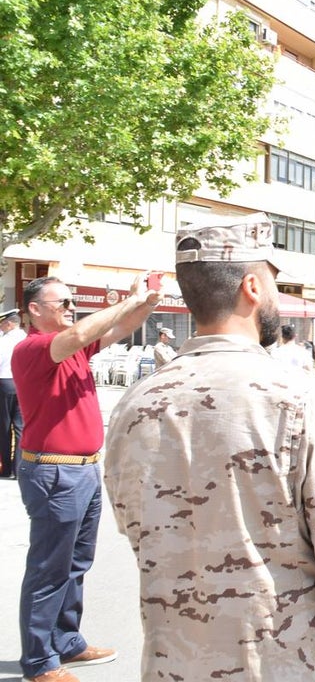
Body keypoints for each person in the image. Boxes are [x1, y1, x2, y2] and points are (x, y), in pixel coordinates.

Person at [104, 213, 315, 682]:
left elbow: (140, 533)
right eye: (274, 282)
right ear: (252, 287)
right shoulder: (300, 401)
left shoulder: (133, 405)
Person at [13, 272, 161, 681]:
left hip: (81, 469)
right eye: (61, 303)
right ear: (35, 310)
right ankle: (40, 660)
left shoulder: (70, 348)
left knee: (75, 563)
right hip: (53, 471)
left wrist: (144, 301)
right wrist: (126, 302)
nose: (70, 308)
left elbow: (120, 327)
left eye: (71, 303)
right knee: (49, 568)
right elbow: (81, 333)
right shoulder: (35, 348)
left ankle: (67, 641)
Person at [1, 307, 27, 478]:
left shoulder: (3, 341)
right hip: (22, 385)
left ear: (9, 324)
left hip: (3, 383)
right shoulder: (25, 338)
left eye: (2, 323)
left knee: (3, 427)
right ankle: (18, 469)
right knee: (20, 427)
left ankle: (6, 468)